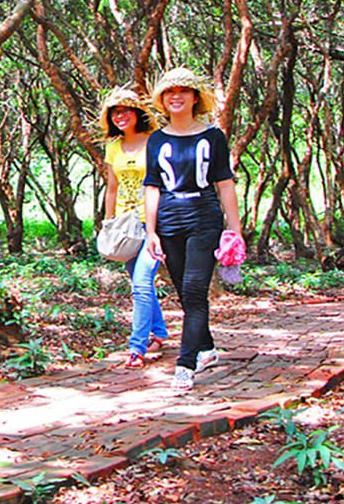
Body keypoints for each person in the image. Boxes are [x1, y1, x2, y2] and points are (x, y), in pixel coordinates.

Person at [144, 68, 243, 391]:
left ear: (195, 97)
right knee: (186, 293)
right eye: (170, 92)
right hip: (169, 220)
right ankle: (208, 347)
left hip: (204, 217)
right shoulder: (156, 139)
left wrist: (235, 229)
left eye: (184, 91)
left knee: (195, 290)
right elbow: (153, 187)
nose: (177, 96)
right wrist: (152, 232)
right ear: (162, 99)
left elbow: (224, 183)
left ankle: (186, 364)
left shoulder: (213, 136)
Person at [99, 86, 169, 368]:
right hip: (125, 227)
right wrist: (108, 222)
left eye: (126, 110)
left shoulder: (156, 141)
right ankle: (160, 333)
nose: (121, 116)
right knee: (139, 283)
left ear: (137, 113)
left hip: (152, 221)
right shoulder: (113, 146)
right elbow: (112, 188)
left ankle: (136, 348)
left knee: (141, 283)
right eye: (115, 112)